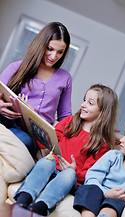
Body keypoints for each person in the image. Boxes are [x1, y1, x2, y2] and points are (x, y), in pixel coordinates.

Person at [14, 84, 118, 217]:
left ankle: (40, 206)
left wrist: (74, 169)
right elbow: (46, 141)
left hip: (71, 177)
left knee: (68, 174)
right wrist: (32, 117)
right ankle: (23, 199)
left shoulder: (102, 143)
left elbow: (92, 173)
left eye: (90, 103)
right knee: (46, 161)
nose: (83, 105)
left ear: (103, 111)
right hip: (51, 166)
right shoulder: (70, 121)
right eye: (84, 100)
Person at [0, 21, 72, 157]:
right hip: (8, 120)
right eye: (50, 49)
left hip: (34, 136)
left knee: (24, 140)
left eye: (60, 52)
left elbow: (65, 117)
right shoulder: (16, 67)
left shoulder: (65, 78)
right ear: (41, 45)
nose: (53, 56)